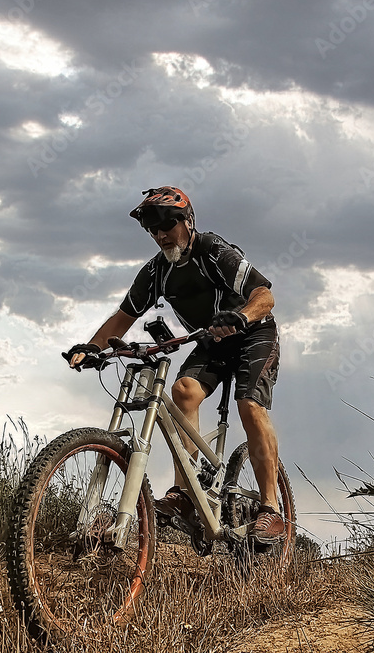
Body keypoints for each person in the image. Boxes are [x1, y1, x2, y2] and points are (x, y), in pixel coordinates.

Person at [65, 186, 285, 542]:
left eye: (167, 223)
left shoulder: (213, 250)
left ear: (188, 220)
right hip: (213, 340)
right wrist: (91, 348)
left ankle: (271, 509)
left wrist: (242, 316)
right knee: (182, 390)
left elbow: (265, 296)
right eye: (152, 229)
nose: (161, 233)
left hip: (252, 333)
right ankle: (185, 494)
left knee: (249, 403)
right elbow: (122, 318)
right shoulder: (156, 271)